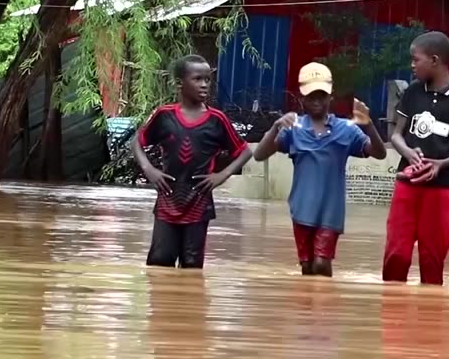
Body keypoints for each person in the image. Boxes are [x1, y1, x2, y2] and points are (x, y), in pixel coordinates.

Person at [252, 62, 387, 277]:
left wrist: (369, 125)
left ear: (330, 96)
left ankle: (324, 308)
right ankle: (308, 309)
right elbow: (259, 155)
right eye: (311, 96)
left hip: (330, 212)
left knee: (322, 264)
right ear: (302, 98)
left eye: (321, 96)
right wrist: (276, 126)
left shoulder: (346, 129)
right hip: (301, 209)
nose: (316, 101)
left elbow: (379, 153)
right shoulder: (293, 129)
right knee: (307, 266)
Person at [132, 54, 252, 269]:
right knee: (159, 263)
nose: (204, 85)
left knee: (191, 267)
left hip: (199, 205)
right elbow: (137, 143)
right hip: (168, 202)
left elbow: (244, 152)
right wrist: (148, 169)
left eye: (207, 79)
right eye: (197, 79)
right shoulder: (164, 115)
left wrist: (221, 176)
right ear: (180, 83)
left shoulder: (217, 120)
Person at [382, 31, 449, 285]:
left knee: (432, 261)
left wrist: (441, 164)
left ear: (435, 60)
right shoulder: (414, 91)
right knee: (397, 256)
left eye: (416, 60)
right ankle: (392, 320)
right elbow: (396, 135)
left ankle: (430, 322)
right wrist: (407, 152)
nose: (412, 65)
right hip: (407, 184)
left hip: (441, 190)